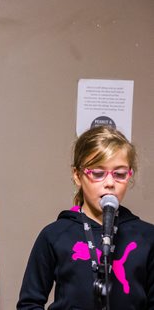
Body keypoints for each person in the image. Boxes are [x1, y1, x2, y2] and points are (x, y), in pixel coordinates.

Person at [17, 126, 154, 309]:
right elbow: (29, 303)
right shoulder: (55, 234)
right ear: (77, 175)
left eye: (120, 174)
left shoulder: (147, 236)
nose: (110, 183)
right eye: (98, 173)